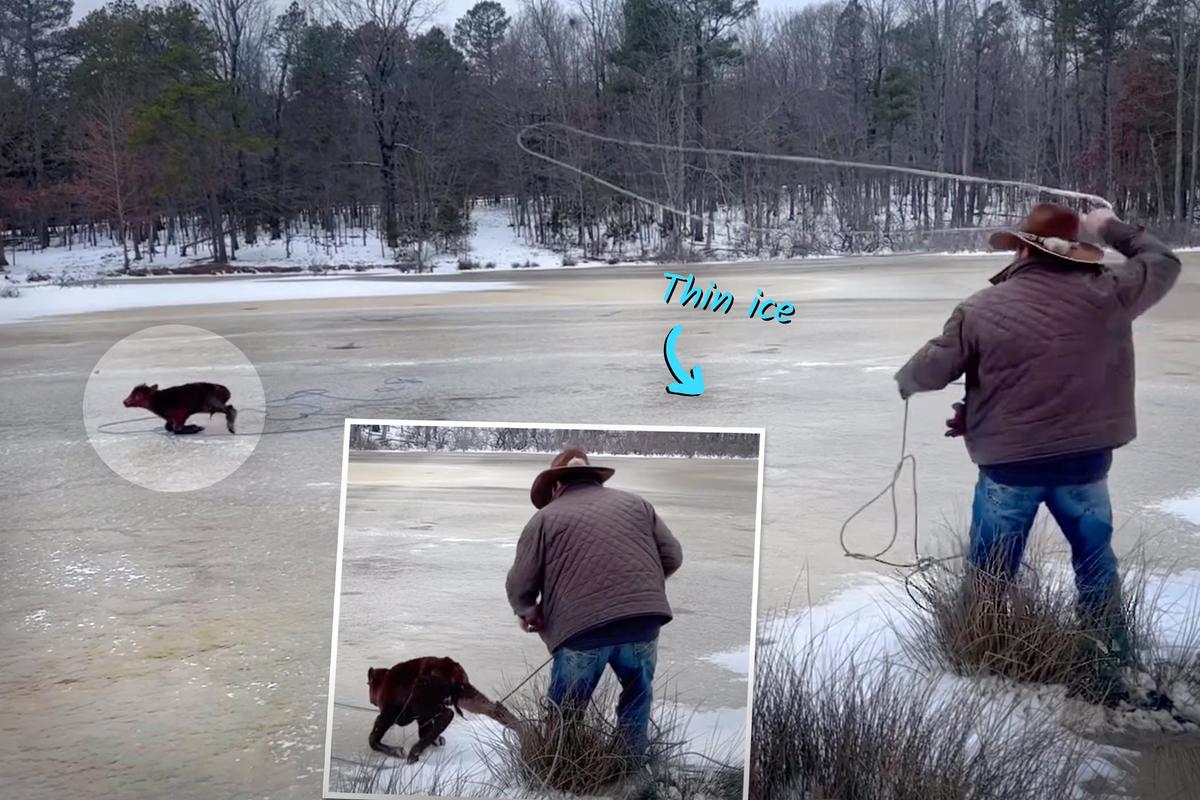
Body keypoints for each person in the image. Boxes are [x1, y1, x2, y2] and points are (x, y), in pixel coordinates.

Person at [893, 203, 1181, 702]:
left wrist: (906, 380)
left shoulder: (982, 307)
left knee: (988, 572)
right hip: (1084, 464)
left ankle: (975, 665)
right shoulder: (1109, 294)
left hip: (1009, 468)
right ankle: (1106, 665)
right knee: (1095, 563)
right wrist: (1108, 226)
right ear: (1076, 252)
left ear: (1023, 248)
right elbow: (1163, 262)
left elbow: (929, 372)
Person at [506, 448, 683, 763]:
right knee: (637, 698)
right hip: (643, 623)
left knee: (565, 713)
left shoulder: (545, 518)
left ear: (556, 485)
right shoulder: (637, 504)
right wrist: (640, 589)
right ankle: (629, 770)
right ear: (591, 476)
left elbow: (521, 583)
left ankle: (560, 776)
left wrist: (528, 611)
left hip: (581, 632)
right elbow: (672, 557)